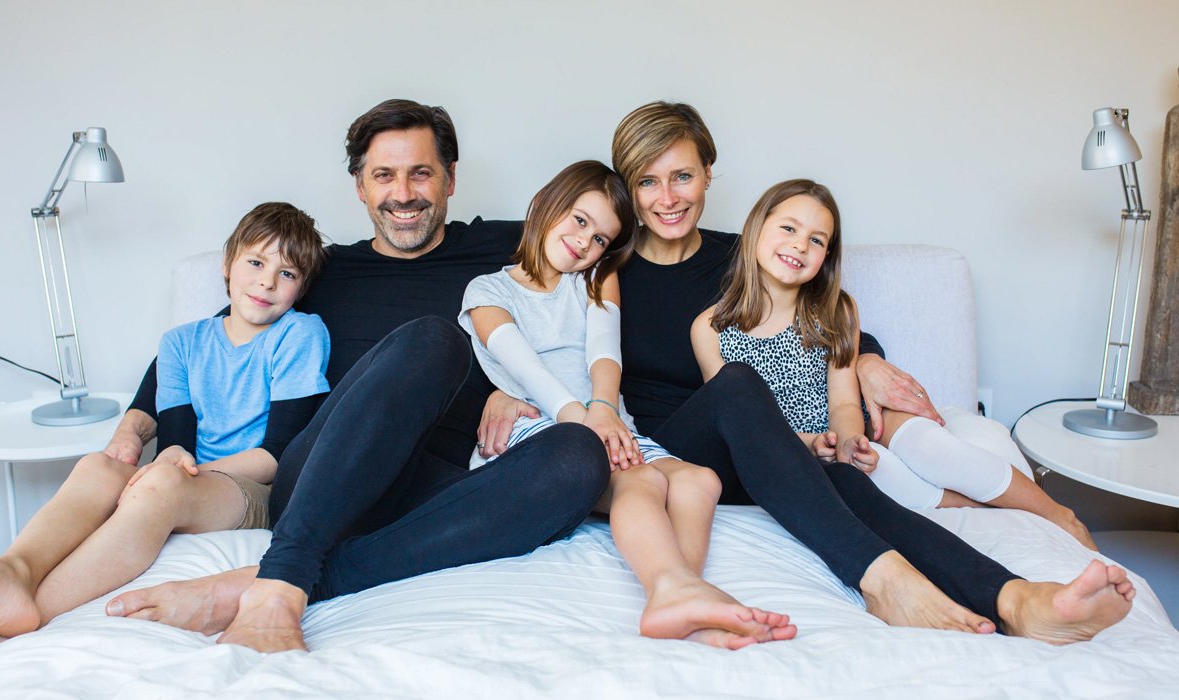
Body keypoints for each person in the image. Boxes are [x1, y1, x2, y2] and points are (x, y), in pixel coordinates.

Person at [483, 100, 1133, 643]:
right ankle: (883, 580)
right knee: (739, 387)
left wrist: (867, 356)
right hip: (667, 451)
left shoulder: (746, 256)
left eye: (682, 176)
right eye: (647, 182)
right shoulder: (599, 266)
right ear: (628, 190)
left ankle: (1016, 598)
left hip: (762, 452)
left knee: (842, 477)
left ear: (708, 174)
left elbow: (818, 316)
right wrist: (497, 393)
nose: (667, 198)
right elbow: (523, 318)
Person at [0, 99, 609, 654]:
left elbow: (613, 262)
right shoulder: (319, 270)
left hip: (439, 485)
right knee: (433, 340)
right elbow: (203, 344)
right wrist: (132, 429)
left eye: (421, 172)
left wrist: (511, 387)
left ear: (450, 179)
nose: (404, 192)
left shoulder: (509, 248)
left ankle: (283, 580)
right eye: (383, 175)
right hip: (324, 480)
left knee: (579, 457)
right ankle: (284, 574)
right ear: (359, 187)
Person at [460, 160, 794, 648]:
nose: (584, 242)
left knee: (700, 480)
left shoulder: (595, 278)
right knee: (642, 480)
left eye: (600, 238)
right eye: (579, 220)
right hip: (540, 427)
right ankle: (673, 591)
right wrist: (583, 421)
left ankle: (681, 596)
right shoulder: (487, 290)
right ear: (543, 204)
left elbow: (604, 351)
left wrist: (604, 409)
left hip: (606, 420)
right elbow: (526, 368)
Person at [0, 202, 331, 645]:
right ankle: (14, 571)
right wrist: (175, 461)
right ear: (228, 264)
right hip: (194, 479)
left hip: (257, 488)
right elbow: (175, 442)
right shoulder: (180, 343)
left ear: (300, 288)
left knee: (162, 483)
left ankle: (27, 619)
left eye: (287, 273)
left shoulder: (300, 334)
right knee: (97, 466)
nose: (267, 281)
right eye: (256, 263)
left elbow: (275, 455)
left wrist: (180, 476)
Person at [689, 179, 1097, 549]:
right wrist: (814, 445)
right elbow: (733, 422)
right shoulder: (710, 328)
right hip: (791, 451)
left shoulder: (835, 310)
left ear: (826, 255)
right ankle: (976, 504)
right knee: (882, 484)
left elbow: (844, 401)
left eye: (816, 240)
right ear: (756, 228)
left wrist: (850, 441)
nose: (799, 245)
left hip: (855, 429)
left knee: (931, 448)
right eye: (788, 228)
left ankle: (1059, 514)